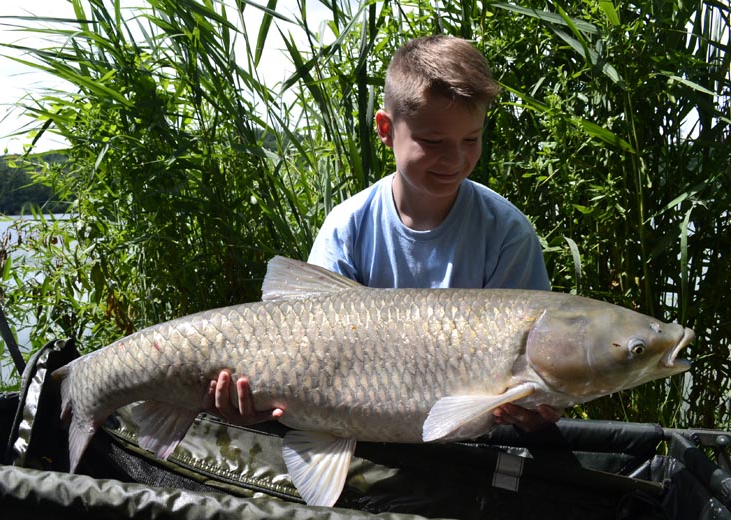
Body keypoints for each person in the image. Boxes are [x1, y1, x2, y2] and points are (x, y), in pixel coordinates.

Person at [205, 35, 561, 432]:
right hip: (349, 433)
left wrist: (537, 411)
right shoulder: (347, 227)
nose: (456, 158)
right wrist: (252, 401)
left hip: (470, 450)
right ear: (386, 129)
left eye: (471, 139)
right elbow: (305, 352)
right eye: (433, 141)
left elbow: (526, 382)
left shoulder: (507, 233)